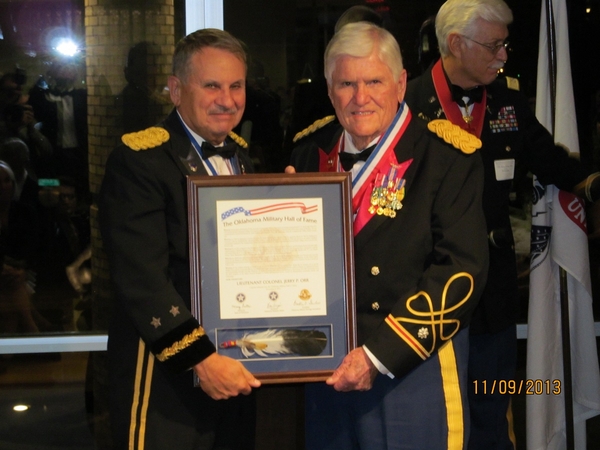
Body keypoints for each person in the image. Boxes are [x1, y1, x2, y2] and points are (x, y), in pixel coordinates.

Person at [404, 1, 600, 448]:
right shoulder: (408, 103)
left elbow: (551, 161)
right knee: (431, 412)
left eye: (503, 45)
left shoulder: (508, 100)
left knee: (491, 406)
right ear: (456, 44)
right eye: (494, 46)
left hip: (490, 291)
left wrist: (589, 184)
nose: (503, 55)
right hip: (427, 289)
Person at [288, 22, 489, 449]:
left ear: (400, 84)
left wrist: (378, 355)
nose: (360, 98)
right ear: (329, 90)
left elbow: (461, 271)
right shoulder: (308, 153)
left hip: (413, 370)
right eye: (346, 83)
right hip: (326, 370)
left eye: (374, 81)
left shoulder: (447, 157)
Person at [98, 29, 260, 450]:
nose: (227, 99)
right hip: (166, 379)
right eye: (211, 86)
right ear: (175, 90)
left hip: (237, 369)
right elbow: (142, 280)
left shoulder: (246, 160)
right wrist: (201, 360)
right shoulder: (140, 162)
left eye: (236, 85)